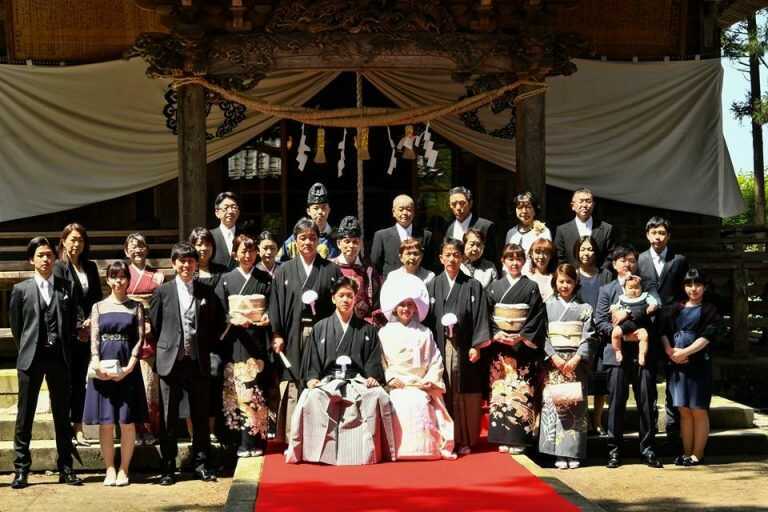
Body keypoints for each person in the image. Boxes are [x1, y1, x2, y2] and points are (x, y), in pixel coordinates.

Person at [285, 277, 395, 465]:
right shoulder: (320, 327)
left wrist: (372, 376)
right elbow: (312, 360)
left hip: (357, 379)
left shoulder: (367, 330)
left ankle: (367, 452)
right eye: (341, 295)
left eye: (350, 296)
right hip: (328, 380)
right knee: (310, 398)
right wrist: (312, 377)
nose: (346, 300)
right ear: (333, 298)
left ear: (355, 298)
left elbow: (373, 359)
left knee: (378, 396)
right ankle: (314, 452)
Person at [9, 237, 83, 489]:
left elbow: (73, 319)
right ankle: (21, 469)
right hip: (31, 358)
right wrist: (28, 349)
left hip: (59, 359)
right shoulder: (21, 290)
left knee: (62, 415)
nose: (45, 259)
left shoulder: (66, 287)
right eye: (40, 255)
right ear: (31, 259)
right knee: (25, 415)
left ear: (55, 258)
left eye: (49, 255)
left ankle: (66, 468)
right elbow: (17, 327)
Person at [150, 242, 222, 485]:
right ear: (174, 264)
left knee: (200, 415)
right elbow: (156, 325)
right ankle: (168, 467)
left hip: (197, 361)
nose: (186, 265)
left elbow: (214, 325)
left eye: (190, 261)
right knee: (169, 417)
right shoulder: (163, 292)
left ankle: (201, 464)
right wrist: (170, 348)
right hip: (171, 361)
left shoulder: (206, 291)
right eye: (181, 261)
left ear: (195, 264)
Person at [269, 218, 343, 444]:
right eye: (303, 238)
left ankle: (321, 436)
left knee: (318, 378)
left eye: (312, 237)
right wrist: (277, 333)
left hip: (321, 333)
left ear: (319, 240)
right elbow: (276, 303)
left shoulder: (330, 269)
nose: (308, 242)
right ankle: (293, 437)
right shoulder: (284, 270)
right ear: (295, 241)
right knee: (292, 380)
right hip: (293, 332)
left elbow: (337, 304)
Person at [594, 245, 662, 469]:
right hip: (617, 354)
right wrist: (624, 336)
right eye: (621, 260)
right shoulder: (607, 290)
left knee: (646, 401)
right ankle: (614, 450)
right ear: (614, 264)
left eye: (631, 260)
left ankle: (648, 449)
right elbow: (601, 321)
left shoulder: (647, 285)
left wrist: (629, 313)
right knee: (616, 404)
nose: (627, 264)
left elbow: (656, 308)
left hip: (644, 353)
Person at [82, 261, 148, 486]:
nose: (119, 281)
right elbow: (94, 338)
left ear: (128, 279)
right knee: (106, 422)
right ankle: (109, 468)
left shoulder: (135, 306)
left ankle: (124, 469)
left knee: (127, 421)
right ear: (108, 279)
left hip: (128, 366)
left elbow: (139, 338)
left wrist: (130, 365)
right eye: (114, 276)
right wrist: (97, 363)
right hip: (103, 369)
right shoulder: (98, 306)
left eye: (123, 276)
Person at [379, 272, 456, 460]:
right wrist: (388, 378)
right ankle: (395, 450)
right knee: (400, 402)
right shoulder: (384, 333)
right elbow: (380, 361)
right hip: (397, 385)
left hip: (421, 384)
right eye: (402, 305)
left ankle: (427, 448)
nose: (406, 309)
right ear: (395, 308)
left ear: (416, 307)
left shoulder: (425, 332)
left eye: (410, 304)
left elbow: (435, 359)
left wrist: (430, 380)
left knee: (420, 402)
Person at [425, 239, 490, 455]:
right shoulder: (432, 286)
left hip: (464, 346)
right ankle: (445, 438)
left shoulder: (473, 286)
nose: (452, 259)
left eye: (456, 255)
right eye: (448, 255)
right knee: (445, 390)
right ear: (440, 258)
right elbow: (426, 321)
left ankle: (464, 438)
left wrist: (477, 345)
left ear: (462, 258)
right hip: (440, 346)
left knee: (464, 392)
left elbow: (481, 316)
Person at [483, 243, 547, 454]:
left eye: (518, 259)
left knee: (522, 392)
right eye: (510, 258)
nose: (514, 263)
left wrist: (521, 336)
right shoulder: (494, 287)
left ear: (524, 261)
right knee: (501, 391)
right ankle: (502, 436)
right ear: (503, 261)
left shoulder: (530, 287)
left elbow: (537, 316)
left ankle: (519, 438)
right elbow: (487, 314)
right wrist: (495, 333)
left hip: (522, 350)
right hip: (500, 348)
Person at [216, 234, 272, 458]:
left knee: (256, 391)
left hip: (257, 340)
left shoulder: (265, 278)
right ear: (234, 254)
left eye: (251, 251)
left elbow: (273, 305)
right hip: (236, 341)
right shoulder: (227, 279)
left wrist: (267, 317)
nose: (247, 256)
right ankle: (238, 443)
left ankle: (257, 440)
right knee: (236, 392)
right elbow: (220, 310)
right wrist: (231, 319)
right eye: (243, 251)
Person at [636, 216, 689, 446]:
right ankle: (649, 427)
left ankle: (673, 428)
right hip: (647, 326)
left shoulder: (679, 260)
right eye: (654, 233)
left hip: (673, 324)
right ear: (647, 235)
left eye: (662, 233)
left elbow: (685, 292)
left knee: (674, 377)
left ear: (668, 236)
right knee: (647, 376)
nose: (658, 237)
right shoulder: (640, 259)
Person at [661, 269, 721, 466]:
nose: (693, 289)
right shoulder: (674, 308)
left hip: (698, 364)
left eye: (697, 284)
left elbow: (708, 336)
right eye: (689, 285)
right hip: (676, 365)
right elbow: (663, 331)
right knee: (683, 410)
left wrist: (685, 353)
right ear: (683, 287)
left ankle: (698, 454)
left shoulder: (710, 309)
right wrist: (670, 351)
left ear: (704, 286)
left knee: (698, 409)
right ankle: (687, 453)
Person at [539, 264, 594, 469]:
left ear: (576, 283)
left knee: (574, 406)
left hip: (575, 363)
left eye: (569, 281)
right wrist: (554, 356)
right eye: (561, 281)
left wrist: (578, 357)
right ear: (555, 282)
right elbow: (542, 334)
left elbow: (589, 335)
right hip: (555, 362)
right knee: (555, 405)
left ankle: (573, 453)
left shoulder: (585, 308)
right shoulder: (546, 306)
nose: (565, 285)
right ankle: (558, 454)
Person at [54, 223, 103, 447]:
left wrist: (91, 320)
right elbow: (60, 302)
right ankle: (64, 430)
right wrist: (77, 326)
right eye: (72, 239)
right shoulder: (58, 268)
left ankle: (79, 429)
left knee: (81, 382)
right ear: (63, 241)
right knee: (66, 384)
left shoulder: (90, 267)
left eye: (80, 240)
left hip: (88, 331)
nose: (76, 244)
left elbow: (96, 298)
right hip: (67, 335)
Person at [124, 232, 165, 446]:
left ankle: (150, 429)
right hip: (129, 333)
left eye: (141, 245)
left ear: (147, 249)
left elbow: (160, 307)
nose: (137, 249)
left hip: (150, 335)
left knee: (150, 384)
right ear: (126, 251)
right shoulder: (123, 274)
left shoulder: (157, 276)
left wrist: (151, 324)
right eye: (133, 246)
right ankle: (132, 430)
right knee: (130, 383)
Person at [189, 227, 228, 444]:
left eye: (207, 244)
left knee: (214, 379)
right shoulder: (187, 272)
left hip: (217, 338)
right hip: (192, 339)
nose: (203, 248)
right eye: (198, 244)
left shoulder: (222, 271)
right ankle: (194, 431)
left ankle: (212, 428)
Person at [573, 236, 613, 436]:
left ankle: (597, 420)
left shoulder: (605, 275)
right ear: (577, 251)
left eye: (590, 249)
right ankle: (582, 419)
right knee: (581, 378)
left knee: (599, 379)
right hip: (579, 334)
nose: (586, 253)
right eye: (582, 249)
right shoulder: (573, 274)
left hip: (601, 333)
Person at [332, 216, 382, 324]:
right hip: (335, 326)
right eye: (347, 241)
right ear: (339, 244)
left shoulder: (368, 270)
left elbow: (376, 304)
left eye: (355, 242)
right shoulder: (329, 267)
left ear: (360, 244)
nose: (351, 246)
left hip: (363, 326)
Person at [371, 194, 435, 277]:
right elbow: (375, 263)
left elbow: (430, 262)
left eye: (408, 209)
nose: (405, 213)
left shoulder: (426, 235)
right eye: (401, 210)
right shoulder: (381, 236)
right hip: (392, 283)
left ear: (414, 212)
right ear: (393, 212)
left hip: (420, 282)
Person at [554, 188, 614, 270]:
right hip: (571, 279)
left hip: (599, 278)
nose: (585, 205)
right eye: (581, 201)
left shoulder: (606, 229)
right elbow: (559, 257)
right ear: (573, 206)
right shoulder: (562, 230)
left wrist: (600, 273)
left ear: (593, 205)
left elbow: (610, 256)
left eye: (588, 201)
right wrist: (570, 274)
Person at [278, 182, 340, 261]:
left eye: (324, 207)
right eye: (316, 208)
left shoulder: (338, 239)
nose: (320, 212)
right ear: (308, 211)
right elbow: (279, 263)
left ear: (329, 210)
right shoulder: (294, 240)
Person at [609, 275, 658, 367]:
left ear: (641, 288)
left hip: (640, 325)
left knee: (644, 336)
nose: (634, 290)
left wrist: (652, 307)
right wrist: (613, 309)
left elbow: (654, 303)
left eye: (637, 287)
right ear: (624, 289)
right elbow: (616, 307)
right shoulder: (622, 299)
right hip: (625, 325)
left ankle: (642, 354)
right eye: (630, 288)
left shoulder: (645, 296)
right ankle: (617, 350)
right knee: (615, 333)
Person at [445, 186, 497, 263]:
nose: (458, 207)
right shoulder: (448, 227)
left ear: (470, 203)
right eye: (454, 204)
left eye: (462, 203)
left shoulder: (485, 226)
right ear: (450, 205)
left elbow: (493, 257)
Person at [210, 191, 241, 270]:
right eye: (226, 208)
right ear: (217, 213)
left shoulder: (246, 236)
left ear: (238, 212)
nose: (230, 211)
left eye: (234, 207)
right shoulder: (209, 237)